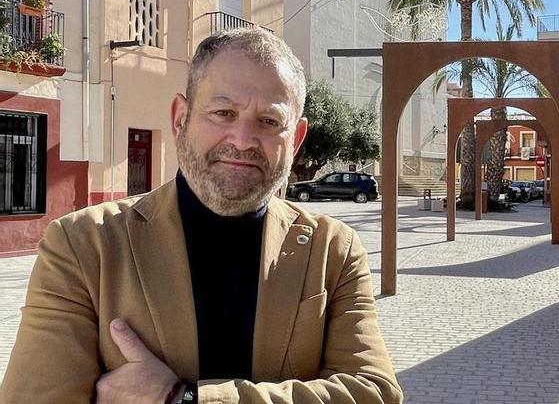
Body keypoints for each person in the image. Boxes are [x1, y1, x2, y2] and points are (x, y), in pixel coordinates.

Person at [0, 28, 402, 403]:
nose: (243, 140)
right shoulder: (85, 246)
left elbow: (374, 392)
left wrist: (184, 397)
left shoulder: (332, 250)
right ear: (180, 119)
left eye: (268, 121)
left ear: (295, 139)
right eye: (223, 113)